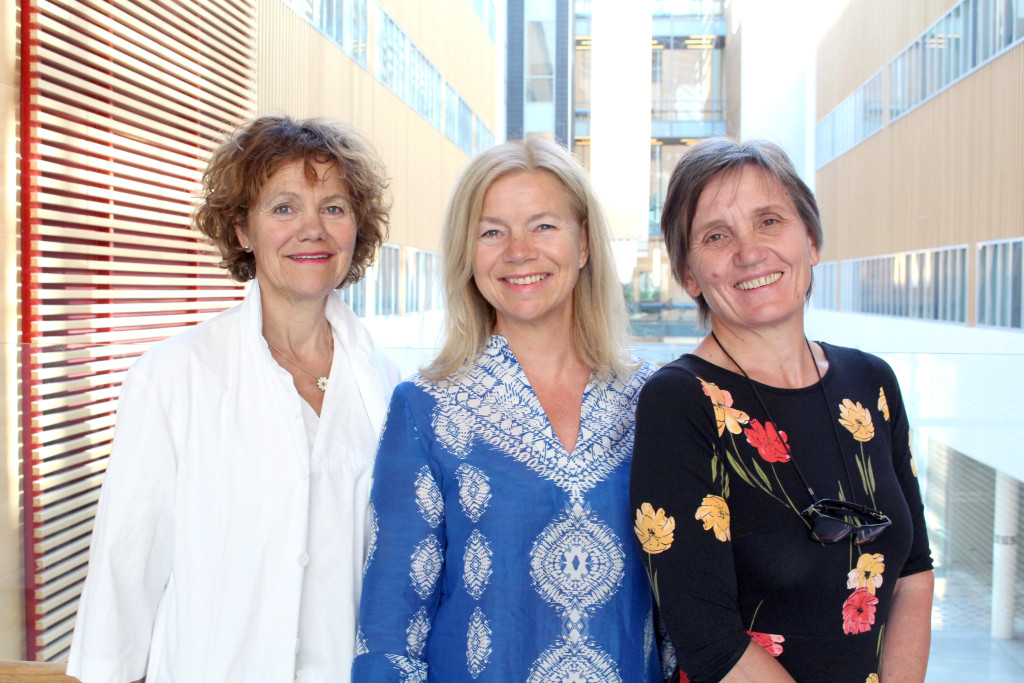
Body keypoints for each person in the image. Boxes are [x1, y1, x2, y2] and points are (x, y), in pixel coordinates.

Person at [66, 116, 400, 683]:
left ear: (356, 230)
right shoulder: (173, 376)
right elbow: (126, 568)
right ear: (243, 230)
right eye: (284, 207)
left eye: (335, 208)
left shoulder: (389, 385)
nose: (312, 229)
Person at [351, 139, 662, 681]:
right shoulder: (427, 410)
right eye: (492, 231)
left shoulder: (651, 402)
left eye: (543, 226)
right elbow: (389, 632)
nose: (518, 251)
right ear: (468, 256)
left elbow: (684, 612)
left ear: (584, 243)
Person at [630, 138, 933, 683]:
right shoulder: (679, 402)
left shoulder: (873, 381)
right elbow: (708, 639)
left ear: (811, 241)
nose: (749, 252)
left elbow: (913, 569)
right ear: (690, 276)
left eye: (769, 221)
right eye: (716, 236)